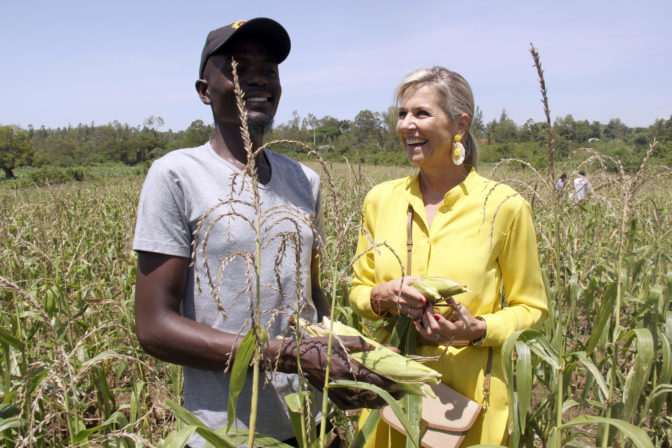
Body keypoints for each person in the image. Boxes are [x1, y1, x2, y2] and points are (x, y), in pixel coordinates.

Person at [133, 18, 397, 447]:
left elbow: (310, 298)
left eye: (269, 69)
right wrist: (288, 358)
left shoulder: (304, 180)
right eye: (237, 66)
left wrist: (338, 372)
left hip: (306, 425)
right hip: (229, 431)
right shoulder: (176, 176)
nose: (256, 77)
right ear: (204, 90)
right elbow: (154, 327)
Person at [348, 67, 548, 446]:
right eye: (402, 114)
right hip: (392, 391)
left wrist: (475, 331)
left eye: (421, 114)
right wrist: (381, 296)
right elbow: (358, 289)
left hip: (469, 403)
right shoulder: (380, 200)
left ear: (460, 124)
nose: (407, 124)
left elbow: (533, 310)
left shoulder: (504, 206)